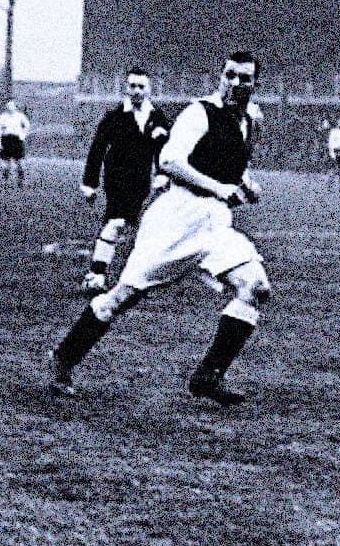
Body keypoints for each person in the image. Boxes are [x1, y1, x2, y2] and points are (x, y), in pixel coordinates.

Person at [48, 51, 271, 407]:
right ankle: (65, 358)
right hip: (177, 217)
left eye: (244, 78)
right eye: (230, 74)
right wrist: (219, 187)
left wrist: (246, 183)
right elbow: (169, 160)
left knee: (255, 287)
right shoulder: (200, 112)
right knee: (123, 297)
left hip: (216, 222)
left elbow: (231, 163)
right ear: (221, 75)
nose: (235, 83)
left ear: (255, 84)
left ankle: (208, 374)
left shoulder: (251, 120)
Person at [79, 67, 172, 294]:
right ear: (126, 88)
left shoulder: (158, 118)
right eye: (132, 86)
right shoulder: (113, 117)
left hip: (142, 181)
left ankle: (136, 275)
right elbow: (97, 151)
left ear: (149, 89)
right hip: (117, 178)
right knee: (117, 222)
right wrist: (90, 183)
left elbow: (165, 150)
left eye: (141, 86)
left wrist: (163, 173)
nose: (137, 91)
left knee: (139, 226)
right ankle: (96, 275)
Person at [0, 100, 30, 188]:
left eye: (11, 106)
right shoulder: (2, 117)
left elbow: (27, 125)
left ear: (15, 107)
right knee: (6, 162)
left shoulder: (20, 116)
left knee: (19, 162)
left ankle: (20, 181)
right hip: (6, 139)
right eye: (8, 106)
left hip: (17, 140)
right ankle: (5, 181)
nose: (10, 108)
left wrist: (23, 135)